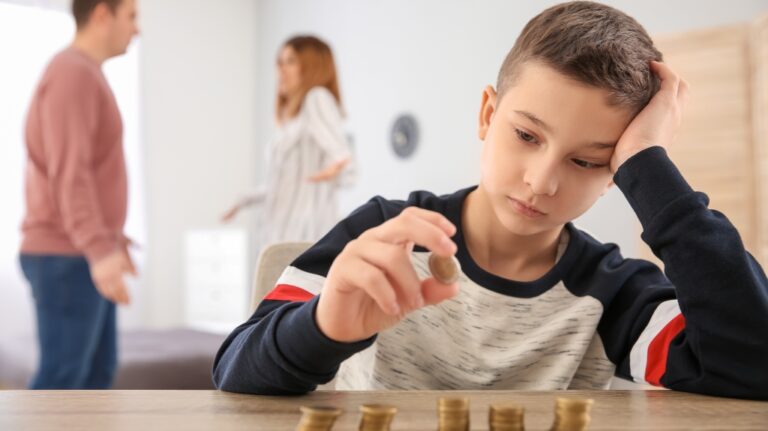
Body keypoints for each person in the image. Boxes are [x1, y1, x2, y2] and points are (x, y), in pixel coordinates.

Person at [212, 2, 768, 400]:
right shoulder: (384, 230)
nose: (541, 181)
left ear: (617, 174)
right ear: (487, 114)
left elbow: (753, 366)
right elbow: (234, 371)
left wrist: (651, 165)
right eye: (527, 136)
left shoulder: (616, 292)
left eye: (588, 160)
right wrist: (323, 323)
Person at [19, 0, 139, 389]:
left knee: (94, 381)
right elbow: (70, 175)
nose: (137, 29)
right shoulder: (73, 74)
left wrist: (112, 241)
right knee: (62, 383)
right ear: (102, 14)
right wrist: (99, 249)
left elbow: (88, 174)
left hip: (78, 251)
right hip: (67, 255)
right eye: (131, 17)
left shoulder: (85, 73)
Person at [222, 35, 354, 250]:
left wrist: (335, 169)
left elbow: (346, 165)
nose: (280, 69)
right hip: (281, 236)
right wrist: (242, 200)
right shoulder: (293, 120)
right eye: (280, 62)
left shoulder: (316, 98)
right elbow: (285, 185)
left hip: (304, 238)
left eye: (290, 61)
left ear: (312, 66)